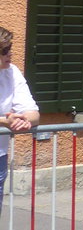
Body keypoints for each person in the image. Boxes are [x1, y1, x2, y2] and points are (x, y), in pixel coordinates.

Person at [0, 27, 38, 219]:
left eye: (10, 48)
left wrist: (23, 121)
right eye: (5, 50)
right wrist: (4, 121)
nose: (10, 53)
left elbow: (32, 111)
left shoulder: (12, 72)